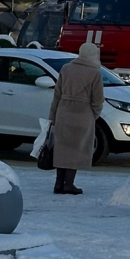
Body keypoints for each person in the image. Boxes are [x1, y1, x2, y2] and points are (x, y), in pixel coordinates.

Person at [48, 42, 105, 195]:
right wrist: (94, 114)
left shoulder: (66, 68)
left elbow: (57, 94)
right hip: (83, 114)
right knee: (76, 149)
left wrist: (53, 115)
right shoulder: (95, 73)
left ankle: (58, 183)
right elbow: (98, 99)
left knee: (62, 148)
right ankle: (69, 184)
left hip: (63, 111)